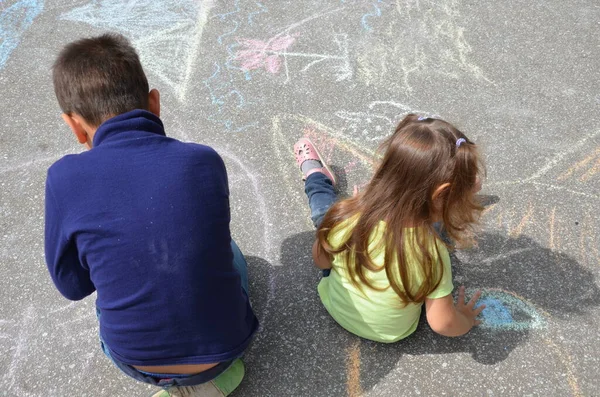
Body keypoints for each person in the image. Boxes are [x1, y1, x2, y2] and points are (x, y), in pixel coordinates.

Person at [44, 33, 258, 397]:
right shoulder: (203, 159)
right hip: (228, 345)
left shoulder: (64, 179)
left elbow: (73, 286)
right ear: (154, 103)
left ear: (74, 125)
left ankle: (177, 385)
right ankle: (214, 378)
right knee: (233, 253)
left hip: (135, 359)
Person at [293, 114, 485, 343]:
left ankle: (314, 175)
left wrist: (346, 219)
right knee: (433, 226)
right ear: (442, 194)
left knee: (324, 213)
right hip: (390, 333)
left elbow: (321, 262)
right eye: (459, 194)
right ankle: (316, 176)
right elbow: (442, 323)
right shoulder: (431, 253)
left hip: (336, 306)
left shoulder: (345, 216)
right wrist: (465, 319)